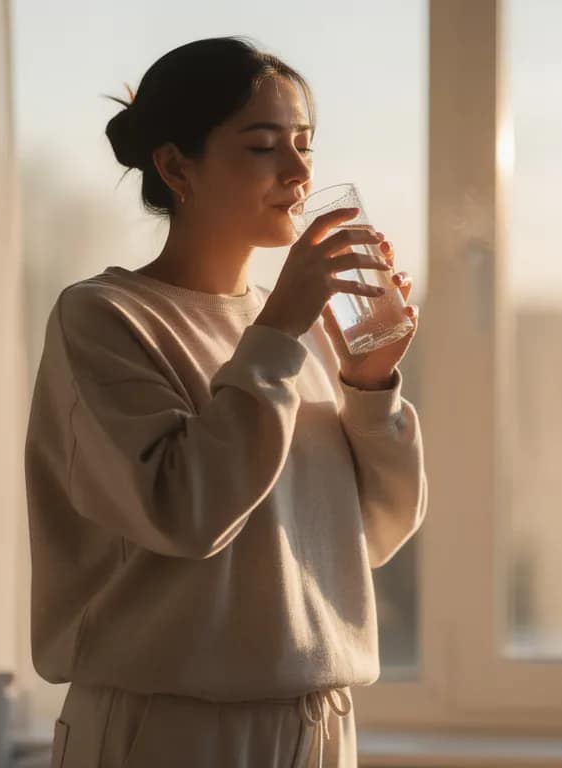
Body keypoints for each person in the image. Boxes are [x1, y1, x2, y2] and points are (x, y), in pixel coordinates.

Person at [24, 37, 427, 767]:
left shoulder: (292, 328)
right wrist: (277, 333)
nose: (301, 171)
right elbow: (187, 511)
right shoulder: (106, 317)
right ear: (178, 166)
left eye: (305, 144)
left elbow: (371, 535)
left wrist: (371, 387)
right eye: (264, 145)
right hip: (168, 731)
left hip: (318, 726)